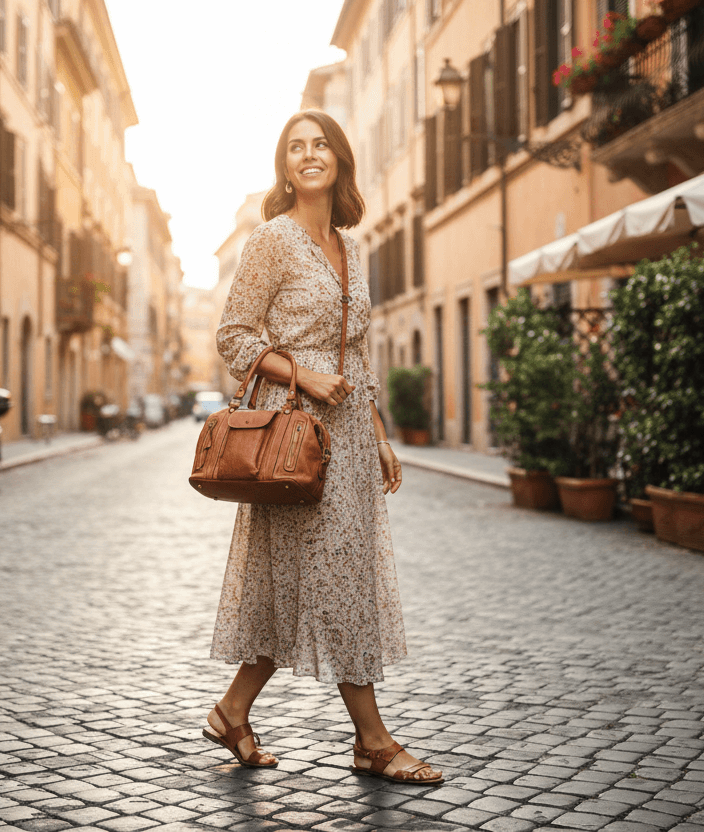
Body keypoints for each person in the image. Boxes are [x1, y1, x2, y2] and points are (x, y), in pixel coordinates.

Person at [204, 110, 443, 785]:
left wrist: (380, 436)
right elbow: (234, 337)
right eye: (295, 147)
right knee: (332, 588)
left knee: (316, 587)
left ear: (339, 159)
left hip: (350, 446)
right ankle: (373, 741)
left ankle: (231, 713)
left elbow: (358, 357)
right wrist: (301, 374)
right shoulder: (271, 240)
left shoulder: (351, 246)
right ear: (285, 165)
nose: (309, 156)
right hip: (293, 441)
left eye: (320, 145)